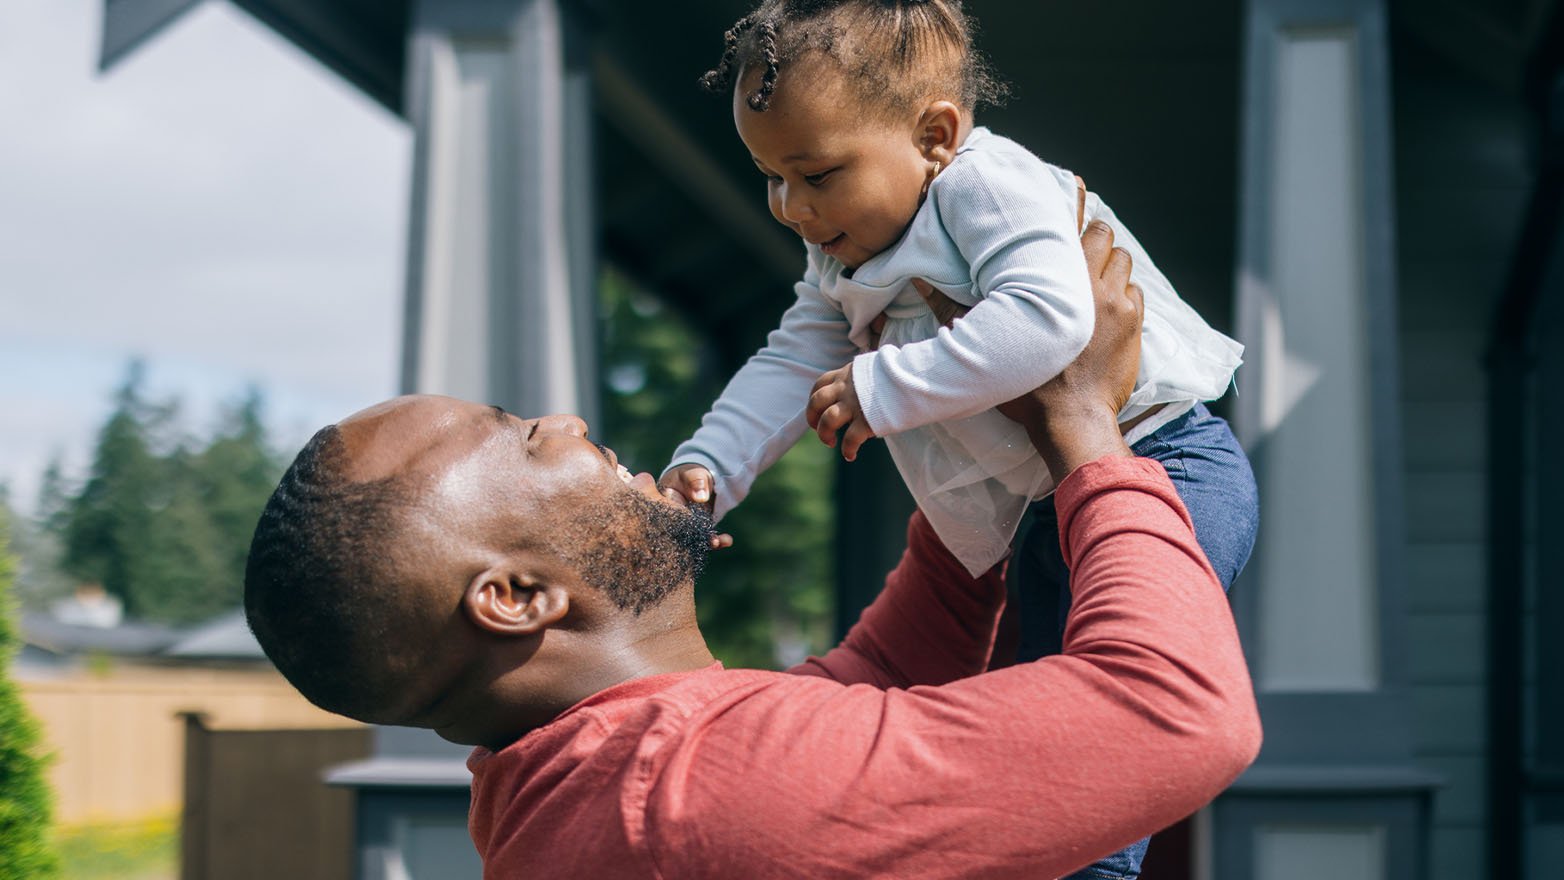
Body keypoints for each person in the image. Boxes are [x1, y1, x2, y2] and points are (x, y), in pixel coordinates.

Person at [243, 219, 1261, 879]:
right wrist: (1084, 422)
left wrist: (976, 418)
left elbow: (884, 678)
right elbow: (1177, 711)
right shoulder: (692, 801)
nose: (559, 419)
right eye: (515, 435)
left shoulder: (607, 789)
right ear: (513, 596)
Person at [661, 8, 1258, 872]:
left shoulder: (983, 186)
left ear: (936, 134)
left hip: (1163, 465)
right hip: (1049, 504)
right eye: (770, 177)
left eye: (818, 172)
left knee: (1100, 722)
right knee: (1059, 710)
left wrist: (883, 385)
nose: (792, 207)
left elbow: (1051, 320)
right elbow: (795, 354)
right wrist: (711, 463)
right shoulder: (845, 250)